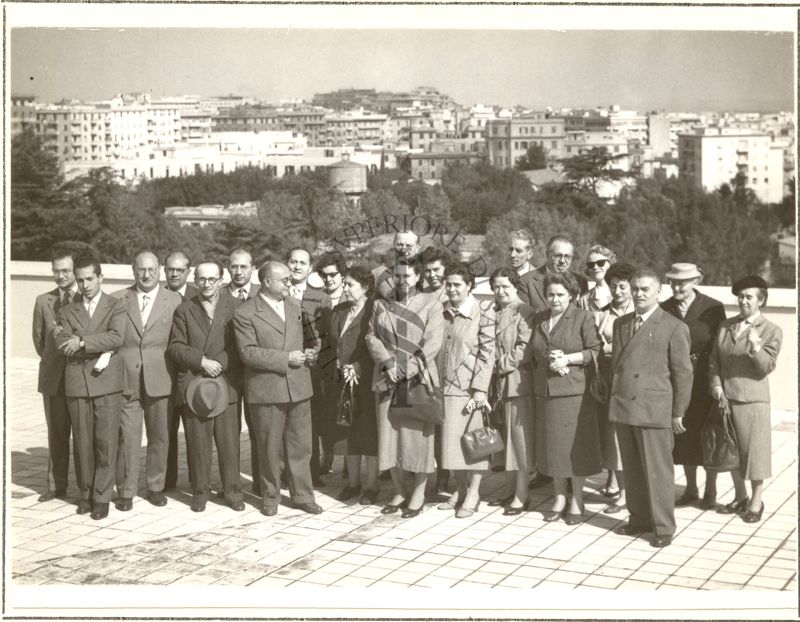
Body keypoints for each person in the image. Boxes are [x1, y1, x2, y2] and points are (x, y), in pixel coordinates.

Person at [610, 268, 693, 548]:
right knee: (632, 468)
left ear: (659, 291)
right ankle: (639, 519)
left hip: (654, 409)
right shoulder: (621, 324)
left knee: (658, 471)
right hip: (624, 406)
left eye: (645, 289)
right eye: (635, 289)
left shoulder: (673, 326)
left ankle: (663, 526)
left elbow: (683, 374)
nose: (639, 294)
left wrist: (678, 412)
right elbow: (616, 368)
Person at [233, 261, 322, 516]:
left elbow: (311, 340)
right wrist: (286, 359)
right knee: (269, 447)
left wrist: (310, 353)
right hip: (267, 390)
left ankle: (303, 495)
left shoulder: (295, 307)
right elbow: (247, 353)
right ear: (267, 282)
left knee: (301, 446)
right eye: (284, 280)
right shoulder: (245, 312)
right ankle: (270, 496)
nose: (290, 283)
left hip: (299, 387)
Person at [366, 256, 444, 519]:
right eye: (397, 276)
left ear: (418, 278)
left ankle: (419, 493)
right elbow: (371, 336)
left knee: (417, 438)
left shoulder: (431, 305)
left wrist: (406, 370)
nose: (401, 281)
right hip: (387, 378)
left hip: (417, 379)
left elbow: (432, 343)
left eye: (407, 276)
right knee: (389, 437)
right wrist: (388, 363)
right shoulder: (380, 305)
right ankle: (399, 491)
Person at [167, 259, 245, 513]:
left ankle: (232, 491)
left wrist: (219, 363)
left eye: (212, 279)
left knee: (229, 442)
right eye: (201, 279)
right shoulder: (184, 309)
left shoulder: (235, 307)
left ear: (221, 280)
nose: (207, 284)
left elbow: (241, 346)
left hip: (226, 381)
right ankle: (199, 492)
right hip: (195, 383)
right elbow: (176, 346)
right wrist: (201, 361)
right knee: (198, 442)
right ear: (194, 281)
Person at [55, 254, 126, 520]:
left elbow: (117, 336)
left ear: (100, 278)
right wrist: (96, 343)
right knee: (82, 442)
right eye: (80, 280)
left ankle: (102, 497)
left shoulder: (115, 305)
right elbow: (63, 341)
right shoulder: (66, 309)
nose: (85, 285)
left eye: (90, 279)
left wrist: (83, 342)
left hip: (106, 382)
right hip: (77, 382)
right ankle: (85, 493)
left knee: (105, 442)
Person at [530, 272, 602, 525]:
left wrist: (568, 359)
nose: (555, 299)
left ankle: (577, 498)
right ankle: (559, 497)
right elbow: (535, 351)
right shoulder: (540, 318)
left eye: (560, 294)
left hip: (573, 393)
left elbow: (595, 350)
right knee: (554, 448)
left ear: (571, 295)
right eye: (550, 294)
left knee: (575, 447)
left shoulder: (582, 317)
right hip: (546, 392)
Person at [710, 275, 782, 523]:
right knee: (732, 450)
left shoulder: (771, 330)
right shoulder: (726, 326)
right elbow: (714, 361)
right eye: (740, 296)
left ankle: (756, 501)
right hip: (726, 399)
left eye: (749, 296)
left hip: (752, 401)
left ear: (760, 300)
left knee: (754, 453)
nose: (743, 300)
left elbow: (766, 367)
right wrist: (717, 385)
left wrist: (755, 349)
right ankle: (740, 496)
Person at [113, 251, 182, 511]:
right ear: (133, 270)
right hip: (127, 379)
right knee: (127, 438)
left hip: (161, 378)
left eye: (152, 269)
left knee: (159, 436)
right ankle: (126, 491)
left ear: (160, 270)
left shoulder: (174, 300)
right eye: (141, 269)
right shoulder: (118, 299)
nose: (147, 274)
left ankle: (155, 486)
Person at [661, 263, 726, 510]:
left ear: (696, 282)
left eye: (683, 282)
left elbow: (718, 348)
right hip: (676, 381)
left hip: (703, 381)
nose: (677, 286)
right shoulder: (665, 308)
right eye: (673, 282)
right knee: (684, 434)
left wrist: (715, 382)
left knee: (706, 435)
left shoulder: (712, 308)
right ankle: (690, 489)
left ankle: (711, 489)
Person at [437, 264, 496, 518]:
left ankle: (474, 492)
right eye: (448, 284)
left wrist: (480, 390)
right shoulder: (442, 312)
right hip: (445, 388)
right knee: (451, 444)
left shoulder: (482, 313)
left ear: (470, 286)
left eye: (457, 284)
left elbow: (488, 353)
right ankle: (459, 489)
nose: (451, 288)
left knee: (475, 444)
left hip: (469, 390)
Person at [325, 266, 379, 505]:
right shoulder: (338, 310)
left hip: (366, 382)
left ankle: (372, 486)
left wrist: (357, 367)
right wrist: (335, 363)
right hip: (342, 383)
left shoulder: (374, 310)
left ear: (365, 288)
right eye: (344, 284)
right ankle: (353, 483)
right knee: (348, 434)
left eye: (350, 285)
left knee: (368, 435)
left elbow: (377, 345)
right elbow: (330, 342)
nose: (344, 288)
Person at [485, 268, 535, 516]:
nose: (500, 291)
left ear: (515, 287)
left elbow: (524, 349)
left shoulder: (524, 312)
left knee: (519, 442)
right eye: (496, 287)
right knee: (504, 440)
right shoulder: (493, 311)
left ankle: (522, 493)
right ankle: (508, 489)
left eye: (505, 286)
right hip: (497, 386)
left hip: (516, 384)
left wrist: (497, 365)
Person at [32, 249, 80, 502]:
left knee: (83, 436)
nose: (60, 276)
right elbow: (39, 341)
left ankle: (86, 487)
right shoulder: (44, 301)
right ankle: (56, 486)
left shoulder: (85, 298)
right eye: (56, 271)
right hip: (54, 380)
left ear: (75, 271)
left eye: (65, 271)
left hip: (82, 378)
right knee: (56, 434)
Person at [592, 262, 637, 514]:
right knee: (614, 439)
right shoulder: (601, 314)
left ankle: (638, 490)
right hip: (609, 383)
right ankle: (623, 493)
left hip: (635, 384)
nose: (618, 292)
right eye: (613, 287)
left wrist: (611, 348)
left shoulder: (641, 312)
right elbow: (594, 345)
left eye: (622, 286)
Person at [224, 248, 261, 495]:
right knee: (229, 432)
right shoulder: (217, 295)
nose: (238, 272)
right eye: (234, 267)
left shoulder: (263, 295)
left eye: (243, 267)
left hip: (258, 374)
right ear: (228, 268)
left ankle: (261, 482)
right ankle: (231, 484)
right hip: (227, 375)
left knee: (259, 430)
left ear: (252, 268)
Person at [163, 250, 197, 492]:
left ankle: (198, 481)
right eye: (170, 269)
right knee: (165, 431)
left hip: (193, 375)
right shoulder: (157, 296)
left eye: (179, 269)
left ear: (188, 272)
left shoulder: (198, 296)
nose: (174, 273)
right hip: (164, 375)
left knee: (195, 433)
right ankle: (166, 480)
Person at [313, 250, 348, 481]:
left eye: (333, 274)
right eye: (324, 275)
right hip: (324, 365)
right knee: (325, 414)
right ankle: (327, 457)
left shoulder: (351, 297)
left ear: (342, 275)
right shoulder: (319, 300)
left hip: (348, 365)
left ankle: (348, 462)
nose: (329, 279)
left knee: (348, 411)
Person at [422, 245, 452, 492]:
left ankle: (444, 476)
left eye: (436, 270)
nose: (432, 275)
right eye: (428, 270)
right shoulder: (420, 295)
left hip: (445, 364)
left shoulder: (450, 295)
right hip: (422, 365)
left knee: (444, 424)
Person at [518, 234, 589, 315]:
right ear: (547, 254)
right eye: (558, 256)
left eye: (567, 256)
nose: (562, 261)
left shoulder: (581, 282)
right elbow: (523, 319)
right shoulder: (526, 282)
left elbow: (583, 316)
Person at [372, 230, 422, 301]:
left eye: (408, 245)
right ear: (394, 244)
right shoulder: (378, 274)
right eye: (400, 245)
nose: (403, 250)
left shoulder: (430, 273)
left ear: (417, 248)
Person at [578, 245, 616, 312]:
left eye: (600, 263)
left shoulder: (623, 292)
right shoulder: (583, 300)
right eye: (591, 264)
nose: (595, 267)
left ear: (610, 263)